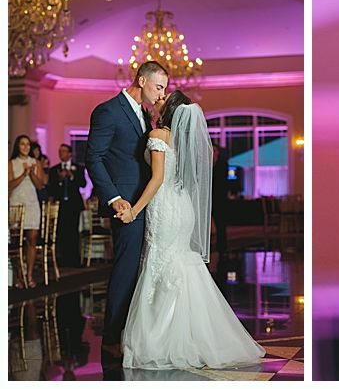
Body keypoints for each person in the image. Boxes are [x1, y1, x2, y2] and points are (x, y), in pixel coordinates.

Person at [117, 90, 264, 369]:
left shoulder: (158, 137)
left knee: (160, 263)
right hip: (183, 207)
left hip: (164, 206)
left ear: (170, 109)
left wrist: (135, 209)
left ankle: (161, 339)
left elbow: (157, 179)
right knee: (181, 263)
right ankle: (197, 336)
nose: (158, 99)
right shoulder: (182, 141)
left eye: (163, 97)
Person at [86, 60, 167, 378]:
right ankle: (112, 338)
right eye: (158, 86)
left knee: (141, 267)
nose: (161, 94)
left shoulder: (145, 114)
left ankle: (133, 331)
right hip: (125, 206)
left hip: (147, 202)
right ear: (142, 80)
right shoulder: (107, 110)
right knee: (126, 267)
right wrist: (114, 197)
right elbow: (93, 158)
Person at [9, 134, 46, 288]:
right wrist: (23, 174)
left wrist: (31, 174)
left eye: (27, 144)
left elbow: (40, 185)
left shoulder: (36, 163)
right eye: (22, 144)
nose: (25, 147)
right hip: (16, 203)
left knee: (32, 238)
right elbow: (8, 186)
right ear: (17, 146)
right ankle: (19, 274)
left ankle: (29, 274)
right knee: (17, 242)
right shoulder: (11, 163)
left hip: (31, 203)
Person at [48, 144, 87, 268]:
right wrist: (59, 180)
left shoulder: (79, 168)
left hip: (73, 204)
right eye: (60, 151)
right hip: (60, 204)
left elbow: (83, 183)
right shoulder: (54, 169)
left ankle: (74, 259)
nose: (61, 153)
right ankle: (62, 259)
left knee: (73, 231)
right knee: (61, 231)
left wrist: (71, 176)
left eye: (64, 151)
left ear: (70, 153)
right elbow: (51, 188)